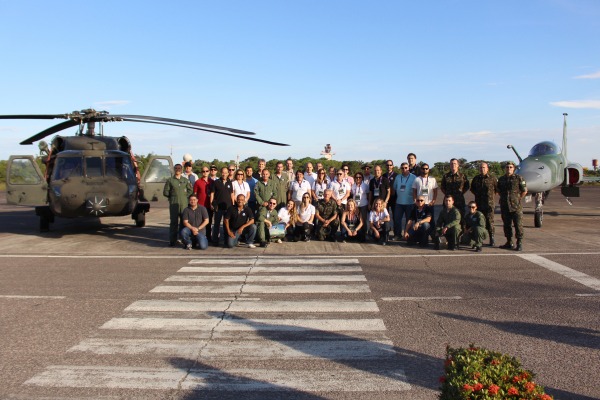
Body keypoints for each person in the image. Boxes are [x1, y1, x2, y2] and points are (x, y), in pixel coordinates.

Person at [497, 161, 527, 251]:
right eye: (507, 167)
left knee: (518, 225)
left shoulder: (519, 178)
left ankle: (519, 243)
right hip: (505, 206)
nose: (509, 169)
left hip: (516, 207)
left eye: (510, 167)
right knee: (507, 225)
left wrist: (517, 199)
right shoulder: (501, 179)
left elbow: (524, 191)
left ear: (514, 168)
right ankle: (509, 242)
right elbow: (498, 190)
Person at [163, 163, 193, 246]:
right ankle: (172, 240)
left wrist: (184, 196)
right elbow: (165, 192)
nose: (178, 169)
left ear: (182, 169)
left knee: (184, 222)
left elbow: (190, 190)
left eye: (179, 168)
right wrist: (173, 196)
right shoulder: (170, 180)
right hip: (174, 204)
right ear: (174, 169)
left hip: (184, 204)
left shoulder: (185, 180)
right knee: (173, 223)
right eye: (176, 168)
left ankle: (184, 239)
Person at [470, 162, 498, 246]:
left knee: (490, 222)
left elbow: (496, 189)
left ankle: (492, 238)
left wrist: (490, 197)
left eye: (484, 167)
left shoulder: (492, 178)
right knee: (480, 222)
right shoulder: (476, 178)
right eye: (481, 168)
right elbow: (472, 189)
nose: (482, 169)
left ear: (487, 168)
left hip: (489, 205)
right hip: (479, 204)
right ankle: (480, 239)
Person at [391, 162, 417, 240]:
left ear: (408, 168)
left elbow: (416, 189)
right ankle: (397, 235)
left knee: (409, 221)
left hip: (410, 202)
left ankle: (407, 235)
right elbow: (394, 188)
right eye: (402, 168)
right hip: (399, 202)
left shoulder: (414, 177)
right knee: (397, 219)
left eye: (406, 167)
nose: (404, 169)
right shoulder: (398, 177)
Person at [440, 158, 470, 224]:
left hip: (459, 201)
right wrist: (448, 195)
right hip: (448, 201)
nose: (453, 165)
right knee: (447, 218)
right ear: (450, 165)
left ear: (458, 165)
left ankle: (461, 233)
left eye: (454, 163)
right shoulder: (446, 176)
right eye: (451, 164)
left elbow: (467, 186)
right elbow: (442, 187)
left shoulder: (463, 176)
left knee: (461, 218)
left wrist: (461, 193)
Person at [210, 166, 233, 245]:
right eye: (223, 172)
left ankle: (226, 240)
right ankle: (215, 240)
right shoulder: (216, 182)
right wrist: (211, 203)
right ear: (221, 173)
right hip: (218, 207)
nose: (224, 174)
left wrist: (233, 204)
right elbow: (212, 194)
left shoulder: (230, 182)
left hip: (228, 207)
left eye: (226, 173)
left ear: (228, 173)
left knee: (226, 224)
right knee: (216, 224)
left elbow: (232, 194)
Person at [193, 165, 214, 241]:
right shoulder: (197, 182)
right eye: (203, 171)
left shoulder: (212, 182)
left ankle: (208, 237)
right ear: (201, 172)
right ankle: (200, 237)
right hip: (200, 206)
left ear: (209, 172)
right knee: (200, 222)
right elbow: (194, 194)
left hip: (209, 205)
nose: (205, 172)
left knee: (209, 222)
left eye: (207, 171)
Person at [384, 160, 398, 237]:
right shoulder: (383, 175)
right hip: (386, 199)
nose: (389, 166)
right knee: (385, 216)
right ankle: (386, 233)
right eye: (387, 165)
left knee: (395, 217)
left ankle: (396, 234)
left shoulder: (397, 175)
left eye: (390, 165)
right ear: (386, 166)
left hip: (394, 199)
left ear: (392, 166)